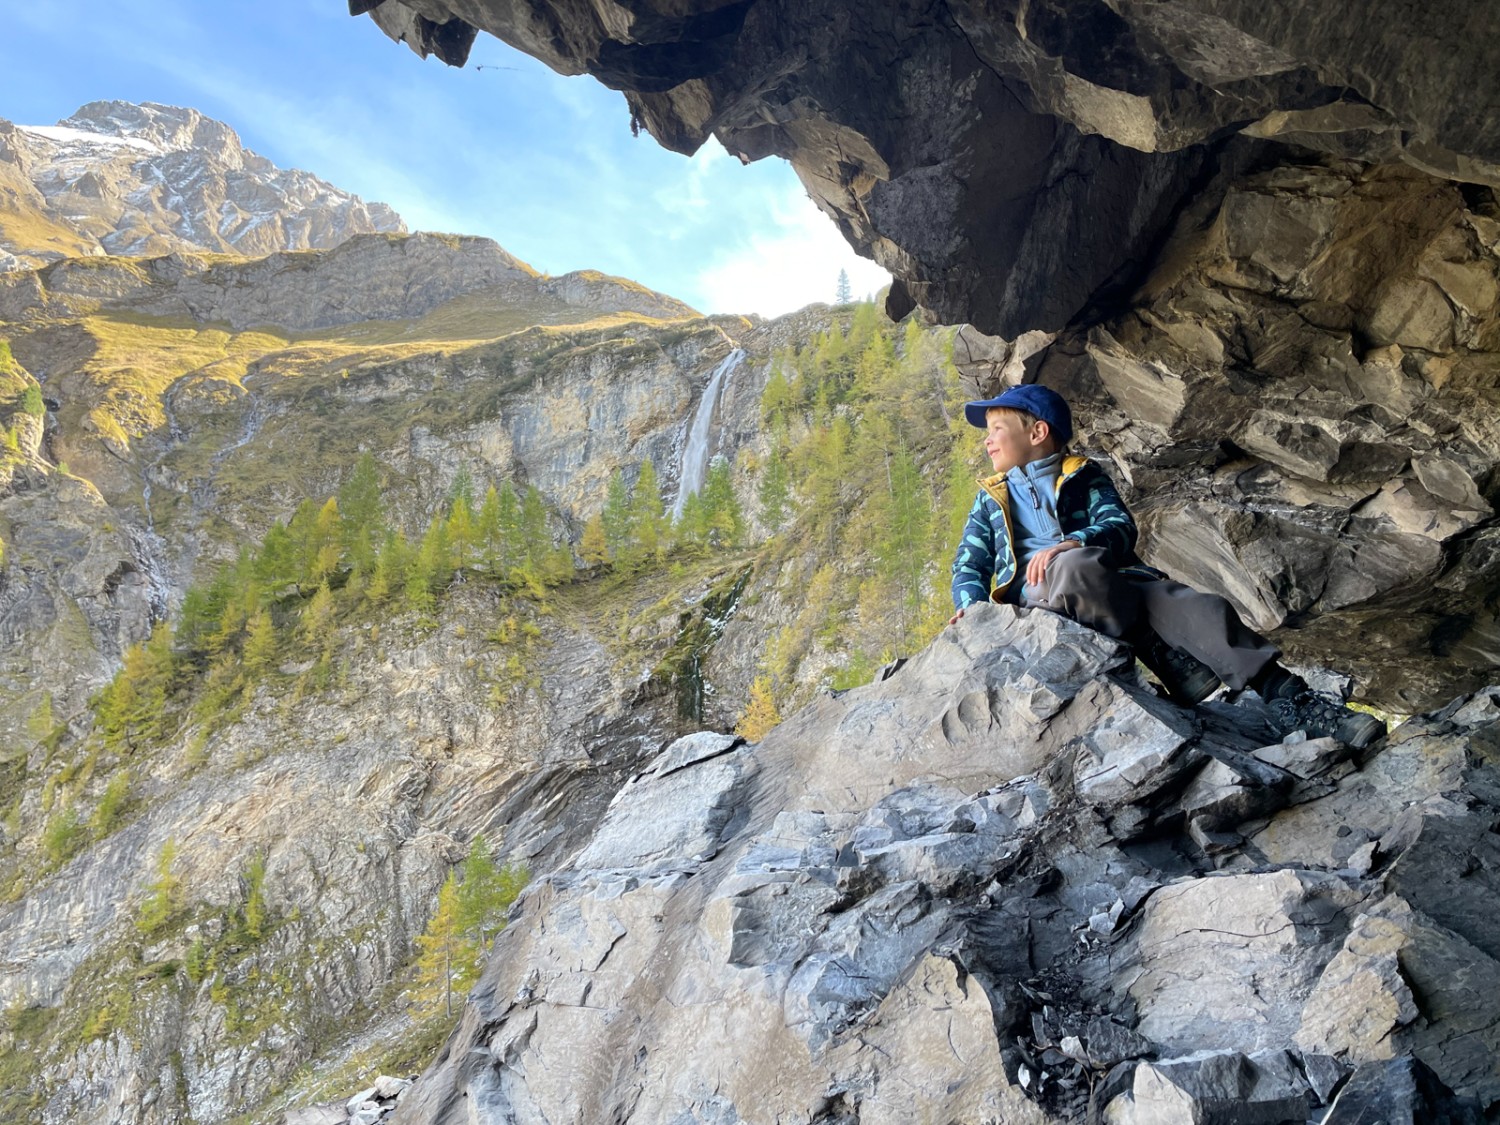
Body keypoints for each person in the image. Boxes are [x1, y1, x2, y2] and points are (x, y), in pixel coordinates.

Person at [949, 384, 1385, 749]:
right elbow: (970, 563)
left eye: (995, 430)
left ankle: (1295, 701)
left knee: (1201, 608)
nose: (987, 441)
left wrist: (1075, 540)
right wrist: (972, 609)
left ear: (1038, 432)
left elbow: (1120, 527)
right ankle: (1156, 649)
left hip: (1114, 581)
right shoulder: (991, 498)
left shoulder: (1083, 474)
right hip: (1041, 594)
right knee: (1075, 569)